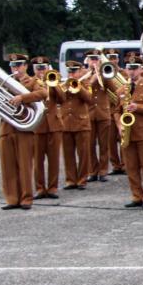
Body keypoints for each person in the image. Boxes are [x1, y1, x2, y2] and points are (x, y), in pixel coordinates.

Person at [0, 54, 47, 210]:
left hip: (23, 129)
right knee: (7, 166)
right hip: (6, 128)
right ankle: (12, 199)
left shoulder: (32, 82)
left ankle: (26, 198)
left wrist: (23, 97)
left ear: (25, 66)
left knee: (25, 165)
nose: (15, 68)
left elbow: (43, 94)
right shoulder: (4, 82)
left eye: (18, 65)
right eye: (13, 66)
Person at [117, 60, 143, 207]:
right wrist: (119, 124)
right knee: (131, 166)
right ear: (126, 70)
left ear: (140, 70)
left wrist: (138, 107)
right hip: (128, 133)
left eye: (135, 69)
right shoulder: (122, 89)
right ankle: (136, 195)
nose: (132, 72)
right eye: (129, 69)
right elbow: (116, 111)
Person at [31, 57, 63, 200]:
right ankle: (39, 188)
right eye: (38, 68)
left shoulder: (54, 79)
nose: (41, 71)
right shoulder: (30, 82)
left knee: (54, 159)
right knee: (38, 161)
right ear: (34, 69)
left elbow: (63, 99)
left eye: (43, 68)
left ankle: (53, 188)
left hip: (54, 126)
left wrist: (54, 84)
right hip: (38, 125)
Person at [59, 60, 93, 190]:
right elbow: (58, 99)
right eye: (69, 72)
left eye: (74, 72)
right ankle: (70, 180)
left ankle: (82, 179)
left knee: (83, 153)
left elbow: (89, 99)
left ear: (80, 72)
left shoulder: (85, 83)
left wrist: (78, 87)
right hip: (66, 123)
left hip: (81, 123)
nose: (71, 74)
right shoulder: (63, 83)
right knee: (68, 154)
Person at [83, 51, 112, 183]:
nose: (94, 62)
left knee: (104, 144)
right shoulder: (83, 76)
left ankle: (103, 171)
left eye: (96, 59)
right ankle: (93, 171)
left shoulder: (105, 73)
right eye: (91, 59)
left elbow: (113, 89)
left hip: (103, 114)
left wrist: (102, 76)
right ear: (88, 61)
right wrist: (91, 80)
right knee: (90, 144)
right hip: (89, 114)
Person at [104, 51, 127, 176]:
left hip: (122, 110)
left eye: (115, 58)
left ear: (118, 59)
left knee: (123, 138)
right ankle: (115, 165)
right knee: (110, 140)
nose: (113, 60)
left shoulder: (124, 73)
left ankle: (125, 164)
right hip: (109, 110)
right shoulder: (104, 73)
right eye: (110, 58)